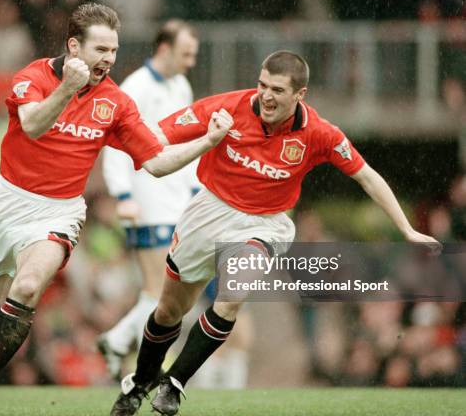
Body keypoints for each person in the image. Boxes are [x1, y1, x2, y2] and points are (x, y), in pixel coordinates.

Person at [109, 50, 441, 416]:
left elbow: (367, 176)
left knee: (232, 296)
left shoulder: (319, 133)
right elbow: (156, 135)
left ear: (300, 95)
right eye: (262, 85)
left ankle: (173, 384)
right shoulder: (225, 108)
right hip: (209, 212)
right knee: (169, 310)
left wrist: (407, 229)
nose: (265, 95)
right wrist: (113, 139)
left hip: (266, 224)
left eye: (278, 90)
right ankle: (140, 383)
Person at [0, 2, 232, 416]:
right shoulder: (34, 76)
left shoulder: (115, 102)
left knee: (27, 287)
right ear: (73, 46)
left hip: (59, 211)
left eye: (113, 51)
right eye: (100, 50)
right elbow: (32, 125)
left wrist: (207, 141)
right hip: (8, 200)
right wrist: (66, 89)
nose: (108, 60)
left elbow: (156, 162)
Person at [97, 19, 200, 380]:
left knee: (164, 293)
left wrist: (195, 189)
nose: (191, 62)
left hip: (178, 202)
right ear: (164, 49)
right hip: (146, 200)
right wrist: (122, 194)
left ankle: (117, 339)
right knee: (160, 292)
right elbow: (114, 144)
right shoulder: (135, 88)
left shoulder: (181, 85)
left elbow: (185, 143)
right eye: (186, 54)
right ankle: (147, 363)